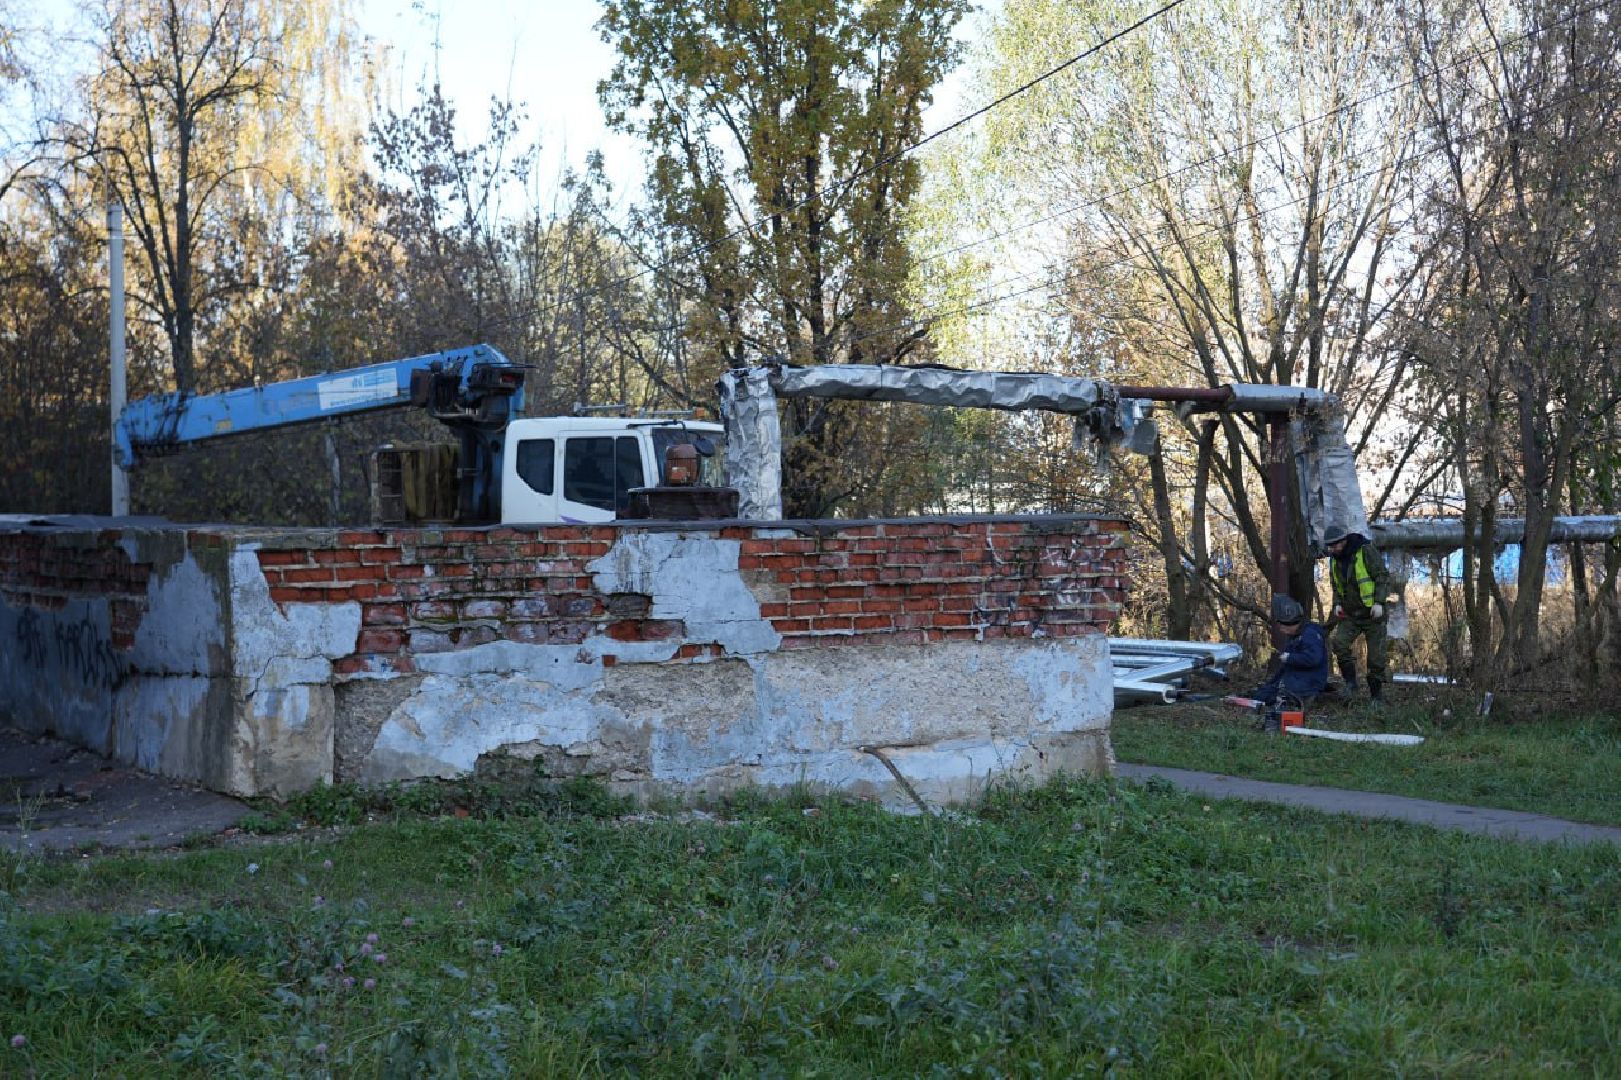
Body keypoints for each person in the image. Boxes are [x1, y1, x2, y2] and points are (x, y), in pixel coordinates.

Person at [1323, 522, 1391, 702]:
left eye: (1335, 545)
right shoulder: (1334, 559)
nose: (1332, 549)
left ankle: (1376, 697)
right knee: (1339, 644)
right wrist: (1337, 604)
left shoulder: (1365, 551)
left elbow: (1382, 576)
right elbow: (1336, 585)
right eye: (1330, 547)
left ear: (1343, 541)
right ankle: (1351, 685)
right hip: (1350, 614)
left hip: (1373, 614)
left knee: (1376, 658)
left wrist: (1379, 602)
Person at [1252, 593, 1328, 705]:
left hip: (1308, 683)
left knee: (1274, 697)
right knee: (1261, 695)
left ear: (1290, 623)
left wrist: (1290, 657)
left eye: (1282, 626)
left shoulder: (1310, 634)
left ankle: (1300, 699)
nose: (1281, 630)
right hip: (1296, 680)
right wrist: (1270, 684)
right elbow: (1285, 669)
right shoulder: (1295, 636)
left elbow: (1314, 658)